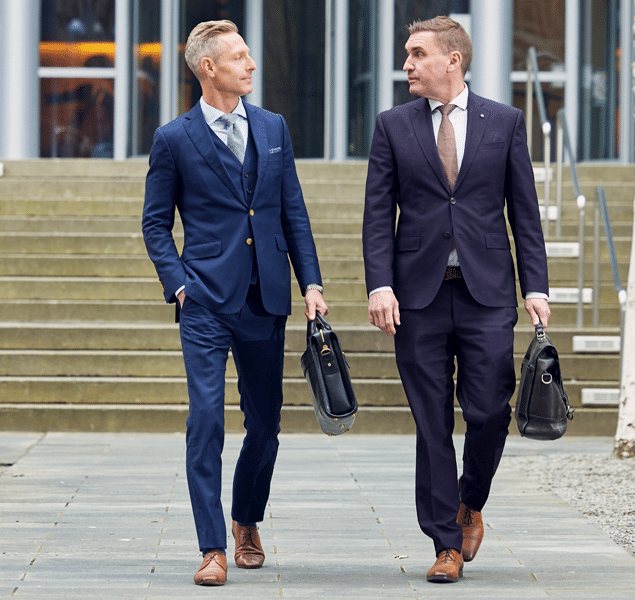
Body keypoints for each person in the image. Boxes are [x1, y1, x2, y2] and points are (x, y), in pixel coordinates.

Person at [362, 16, 550, 583]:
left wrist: (535, 286)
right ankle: (445, 542)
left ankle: (471, 503)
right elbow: (377, 213)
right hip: (416, 295)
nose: (408, 65)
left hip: (487, 292)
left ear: (453, 59)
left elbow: (524, 210)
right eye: (407, 54)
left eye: (418, 54)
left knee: (490, 410)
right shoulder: (393, 125)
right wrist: (380, 283)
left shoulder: (506, 121)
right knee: (432, 420)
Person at [142, 20, 327, 587]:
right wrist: (179, 283)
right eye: (240, 57)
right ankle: (212, 547)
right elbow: (154, 224)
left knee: (266, 424)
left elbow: (291, 210)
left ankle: (247, 519)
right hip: (203, 300)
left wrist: (311, 284)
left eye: (248, 55)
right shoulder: (174, 138)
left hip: (265, 297)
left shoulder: (273, 127)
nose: (251, 64)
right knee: (205, 421)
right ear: (209, 69)